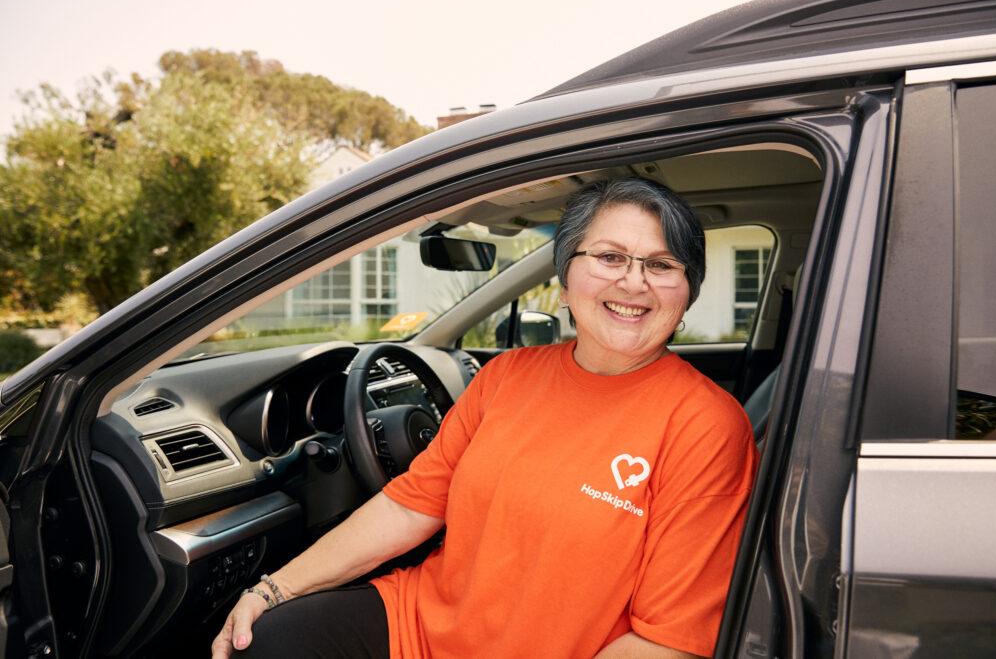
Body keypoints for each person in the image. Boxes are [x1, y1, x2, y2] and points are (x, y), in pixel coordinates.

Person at [211, 177, 758, 659]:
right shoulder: (506, 376)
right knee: (263, 642)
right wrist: (272, 589)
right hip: (418, 626)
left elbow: (666, 641)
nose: (634, 283)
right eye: (610, 258)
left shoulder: (707, 425)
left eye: (661, 265)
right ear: (566, 281)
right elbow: (410, 507)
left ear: (685, 296)